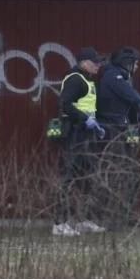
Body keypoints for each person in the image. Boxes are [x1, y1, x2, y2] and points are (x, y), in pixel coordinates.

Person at [95, 45, 140, 229]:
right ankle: (115, 219)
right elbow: (132, 97)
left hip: (120, 129)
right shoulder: (113, 77)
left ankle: (128, 215)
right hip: (113, 131)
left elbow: (122, 109)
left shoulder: (118, 78)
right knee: (119, 174)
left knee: (131, 175)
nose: (137, 67)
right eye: (135, 63)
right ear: (126, 62)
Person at [53, 47, 107, 236]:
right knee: (68, 176)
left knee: (88, 178)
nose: (99, 65)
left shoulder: (87, 80)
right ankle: (59, 224)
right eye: (95, 62)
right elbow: (64, 104)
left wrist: (95, 125)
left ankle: (84, 219)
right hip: (75, 133)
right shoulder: (75, 79)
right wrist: (85, 119)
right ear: (84, 63)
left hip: (87, 134)